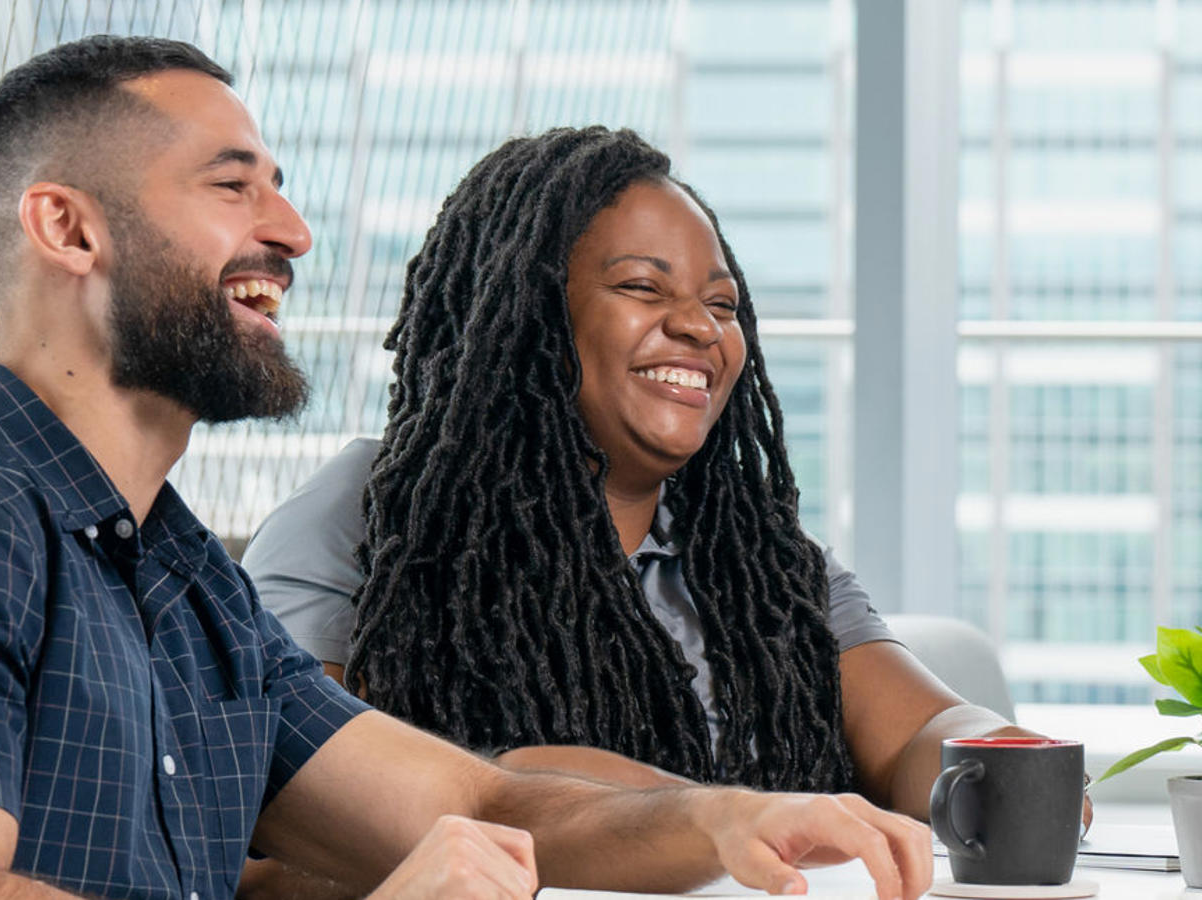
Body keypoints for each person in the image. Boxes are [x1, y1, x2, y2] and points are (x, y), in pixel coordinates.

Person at [0, 38, 933, 900]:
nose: (290, 232)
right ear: (67, 227)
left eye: (281, 191)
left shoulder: (181, 581)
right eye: (233, 187)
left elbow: (484, 806)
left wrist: (726, 817)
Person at [244, 127, 1093, 822]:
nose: (698, 327)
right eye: (644, 288)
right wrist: (731, 825)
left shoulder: (759, 556)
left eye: (721, 305)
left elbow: (917, 731)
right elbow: (309, 787)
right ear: (532, 315)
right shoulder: (368, 510)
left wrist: (994, 754)